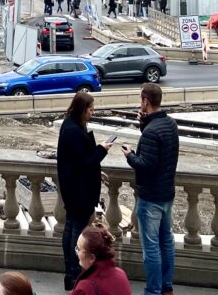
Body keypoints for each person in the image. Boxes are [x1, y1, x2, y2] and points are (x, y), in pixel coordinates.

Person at [120, 83, 179, 295]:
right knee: (167, 242)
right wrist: (144, 124)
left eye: (141, 99)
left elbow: (146, 164)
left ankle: (152, 291)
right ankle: (166, 287)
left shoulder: (152, 132)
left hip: (151, 197)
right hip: (167, 194)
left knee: (151, 248)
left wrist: (130, 155)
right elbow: (159, 153)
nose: (140, 103)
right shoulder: (170, 124)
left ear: (146, 101)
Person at [56, 91, 111, 291]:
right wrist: (102, 149)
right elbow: (85, 163)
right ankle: (74, 273)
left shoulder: (69, 125)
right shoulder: (74, 131)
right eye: (90, 109)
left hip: (72, 189)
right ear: (82, 109)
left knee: (70, 228)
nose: (92, 112)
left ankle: (70, 273)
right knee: (76, 233)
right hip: (79, 192)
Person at [71, 225, 132, 295]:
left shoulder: (85, 288)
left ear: (92, 258)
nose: (77, 253)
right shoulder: (121, 274)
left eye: (78, 249)